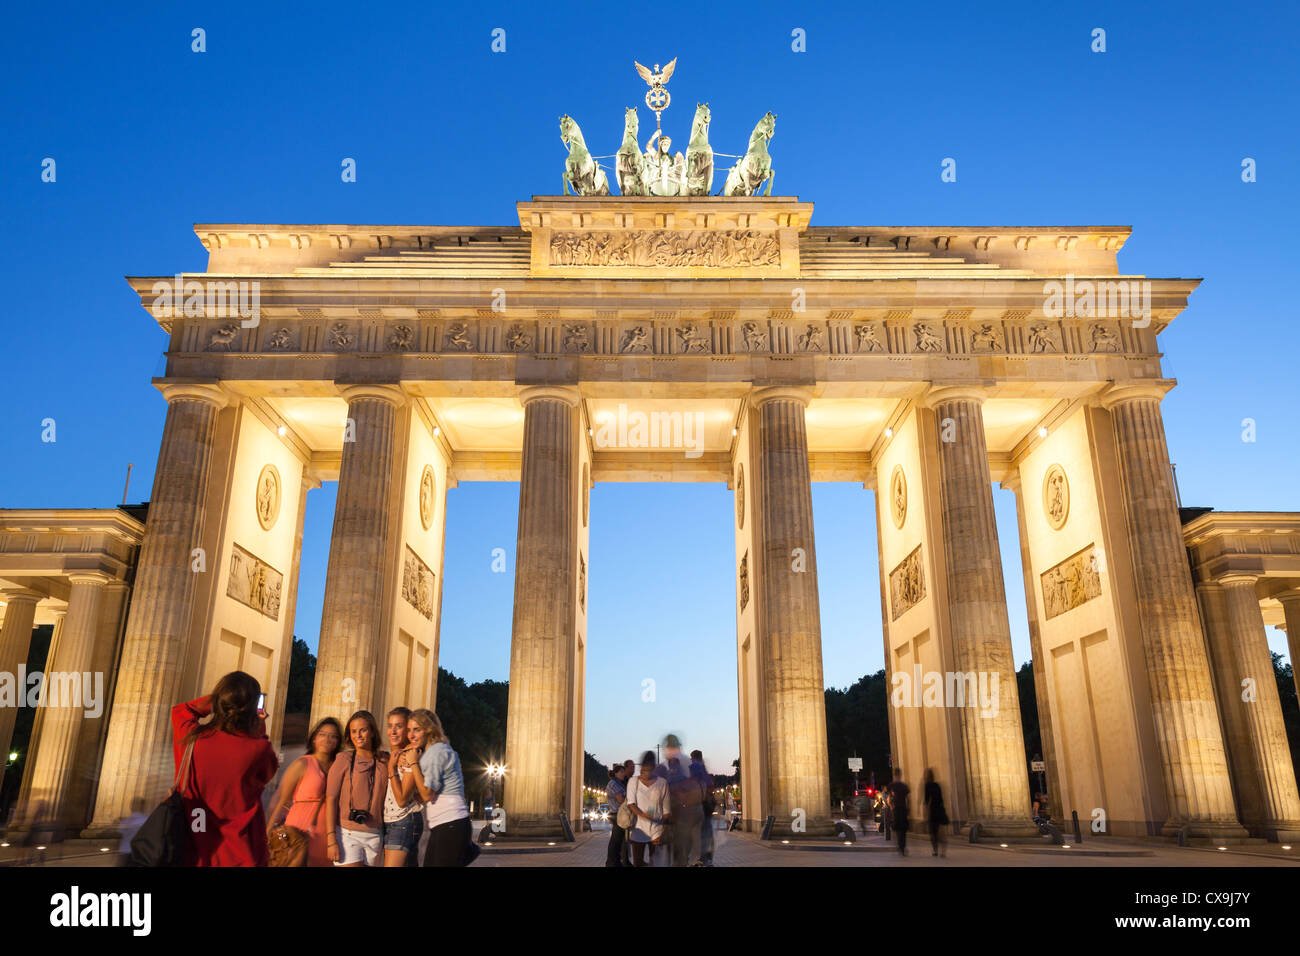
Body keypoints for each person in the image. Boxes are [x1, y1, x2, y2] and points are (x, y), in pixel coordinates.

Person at [170, 671, 279, 866]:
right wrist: (259, 726)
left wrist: (219, 699)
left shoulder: (191, 738)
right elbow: (266, 774)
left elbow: (181, 710)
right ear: (252, 707)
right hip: (240, 851)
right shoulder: (258, 748)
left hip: (194, 847)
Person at [266, 716, 342, 867]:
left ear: (338, 742)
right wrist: (269, 833)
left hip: (328, 835)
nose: (327, 739)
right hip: (299, 831)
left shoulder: (340, 766)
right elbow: (281, 800)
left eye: (333, 736)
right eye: (322, 734)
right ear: (314, 738)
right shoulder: (302, 764)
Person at [408, 709, 475, 867]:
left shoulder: (436, 753)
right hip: (447, 824)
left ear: (429, 729)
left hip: (450, 824)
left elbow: (426, 795)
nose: (411, 735)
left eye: (416, 730)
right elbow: (424, 796)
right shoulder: (437, 750)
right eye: (409, 730)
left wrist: (413, 764)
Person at [325, 710, 389, 867]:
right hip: (347, 834)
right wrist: (331, 839)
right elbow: (331, 799)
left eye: (363, 730)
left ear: (372, 731)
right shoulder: (343, 760)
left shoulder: (384, 761)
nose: (358, 735)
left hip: (375, 835)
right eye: (353, 731)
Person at [381, 706, 423, 867]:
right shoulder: (394, 755)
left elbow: (402, 800)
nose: (393, 731)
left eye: (399, 726)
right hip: (394, 821)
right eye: (390, 726)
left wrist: (391, 769)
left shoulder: (409, 756)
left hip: (403, 820)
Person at [626, 750, 668, 867]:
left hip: (656, 830)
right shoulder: (633, 782)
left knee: (655, 861)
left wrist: (664, 826)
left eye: (650, 770)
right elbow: (631, 804)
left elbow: (666, 808)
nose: (647, 772)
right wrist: (642, 814)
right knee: (638, 862)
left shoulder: (661, 783)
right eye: (645, 770)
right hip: (638, 829)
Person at [691, 749, 715, 866]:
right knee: (706, 834)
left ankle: (699, 859)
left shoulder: (693, 768)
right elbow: (710, 788)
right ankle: (706, 859)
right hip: (705, 808)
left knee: (698, 834)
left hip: (697, 807)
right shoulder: (704, 770)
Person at [605, 762, 630, 867]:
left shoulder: (620, 783)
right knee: (615, 840)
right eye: (621, 772)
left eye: (624, 772)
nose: (623, 774)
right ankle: (611, 862)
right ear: (615, 773)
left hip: (621, 814)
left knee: (619, 840)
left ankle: (615, 861)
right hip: (617, 814)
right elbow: (621, 799)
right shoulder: (613, 784)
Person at [923, 768, 948, 858]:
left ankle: (935, 850)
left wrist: (925, 814)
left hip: (933, 811)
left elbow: (926, 801)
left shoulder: (927, 785)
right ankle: (943, 851)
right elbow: (941, 799)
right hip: (939, 809)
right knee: (941, 832)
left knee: (933, 833)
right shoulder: (937, 785)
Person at [887, 769, 910, 856]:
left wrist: (892, 807)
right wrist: (908, 808)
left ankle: (900, 846)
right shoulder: (904, 786)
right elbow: (908, 799)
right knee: (903, 829)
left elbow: (889, 798)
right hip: (902, 808)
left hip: (896, 809)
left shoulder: (891, 785)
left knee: (898, 828)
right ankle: (902, 846)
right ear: (900, 775)